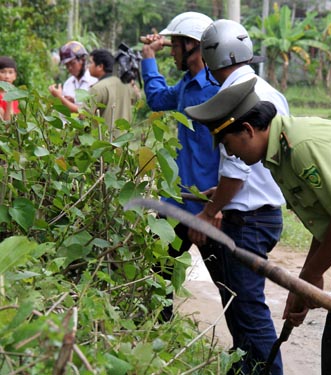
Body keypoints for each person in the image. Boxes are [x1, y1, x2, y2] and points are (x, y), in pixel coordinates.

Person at [184, 77, 331, 375]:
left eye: (228, 143)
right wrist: (305, 284)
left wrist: (310, 275)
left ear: (247, 130)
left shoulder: (301, 147)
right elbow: (328, 219)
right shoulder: (278, 155)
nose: (230, 154)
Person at [188, 19, 287, 375]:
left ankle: (267, 370)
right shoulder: (267, 89)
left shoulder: (236, 95)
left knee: (247, 309)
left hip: (246, 219)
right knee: (240, 307)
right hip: (265, 211)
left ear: (211, 59)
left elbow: (236, 170)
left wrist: (210, 211)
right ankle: (245, 367)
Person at [140, 12, 220, 321]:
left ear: (193, 46)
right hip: (177, 202)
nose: (171, 51)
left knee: (230, 286)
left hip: (208, 207)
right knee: (159, 272)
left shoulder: (219, 89)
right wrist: (149, 58)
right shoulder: (187, 85)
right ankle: (159, 330)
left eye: (175, 45)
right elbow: (158, 99)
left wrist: (217, 206)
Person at [85, 48, 139, 137]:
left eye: (90, 63)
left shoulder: (97, 88)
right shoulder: (126, 85)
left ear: (100, 66)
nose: (88, 66)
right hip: (123, 142)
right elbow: (137, 98)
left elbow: (84, 115)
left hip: (103, 144)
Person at [48, 41, 97, 113]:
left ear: (82, 60)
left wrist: (60, 98)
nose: (70, 68)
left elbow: (86, 112)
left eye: (72, 63)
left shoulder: (94, 81)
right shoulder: (68, 83)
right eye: (67, 65)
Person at [0, 56, 20, 121]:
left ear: (15, 76)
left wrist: (10, 98)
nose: (7, 76)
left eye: (10, 72)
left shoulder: (16, 94)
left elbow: (10, 122)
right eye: (3, 72)